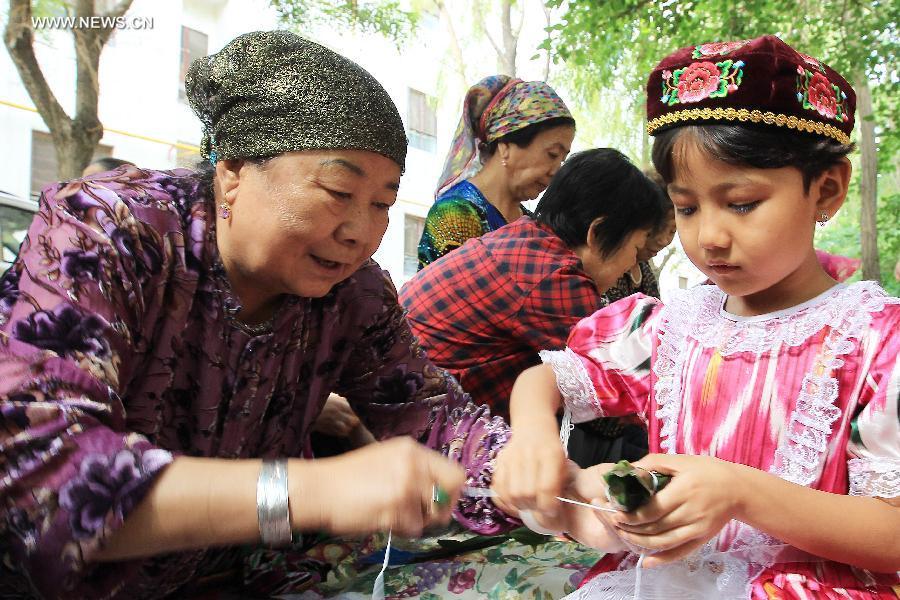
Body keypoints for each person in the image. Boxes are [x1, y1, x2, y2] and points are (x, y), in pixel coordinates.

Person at [0, 31, 621, 600]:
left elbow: (433, 416)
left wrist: (556, 485)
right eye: (338, 192)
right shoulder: (110, 235)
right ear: (235, 174)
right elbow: (43, 483)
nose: (360, 233)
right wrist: (310, 491)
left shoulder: (355, 295)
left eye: (382, 204)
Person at [494, 35, 900, 598]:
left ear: (826, 189)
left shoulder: (876, 342)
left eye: (741, 203)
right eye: (686, 207)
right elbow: (546, 380)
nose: (708, 236)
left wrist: (740, 492)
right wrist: (534, 439)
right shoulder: (673, 326)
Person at [401, 148, 666, 421]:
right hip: (419, 424)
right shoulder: (558, 279)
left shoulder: (521, 237)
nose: (631, 264)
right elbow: (621, 383)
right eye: (635, 249)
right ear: (596, 233)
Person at [416, 74, 575, 270]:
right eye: (552, 154)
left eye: (563, 159)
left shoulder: (533, 226)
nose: (556, 171)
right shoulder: (456, 215)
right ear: (506, 144)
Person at [603, 174, 676, 304]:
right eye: (657, 228)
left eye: (672, 231)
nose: (664, 240)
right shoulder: (605, 270)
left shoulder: (646, 272)